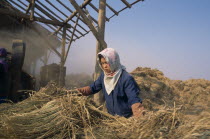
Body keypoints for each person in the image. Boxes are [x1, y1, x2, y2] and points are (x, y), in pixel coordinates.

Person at [77, 48, 144, 118]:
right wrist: (76, 92)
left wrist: (139, 118)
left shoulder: (126, 78)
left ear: (114, 61)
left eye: (106, 62)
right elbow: (93, 88)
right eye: (102, 63)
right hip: (112, 117)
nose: (104, 66)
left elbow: (133, 99)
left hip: (126, 119)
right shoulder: (104, 76)